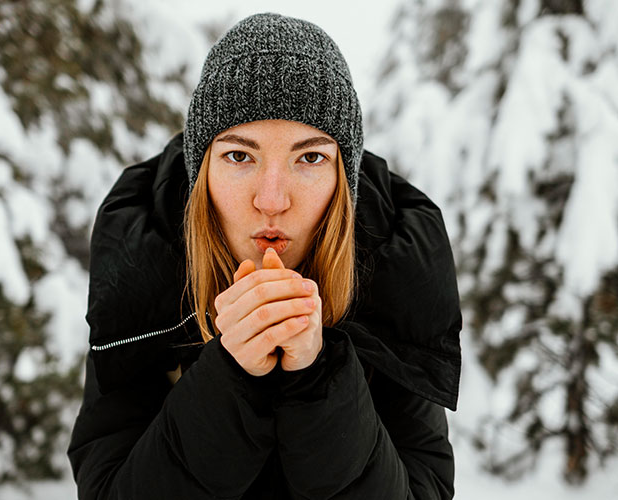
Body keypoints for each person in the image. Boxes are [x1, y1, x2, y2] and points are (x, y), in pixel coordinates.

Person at [67, 12, 462, 500]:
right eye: (239, 156)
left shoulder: (394, 274)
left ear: (344, 180)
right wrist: (227, 380)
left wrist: (319, 379)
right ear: (202, 170)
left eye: (310, 158)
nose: (272, 199)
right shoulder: (143, 270)